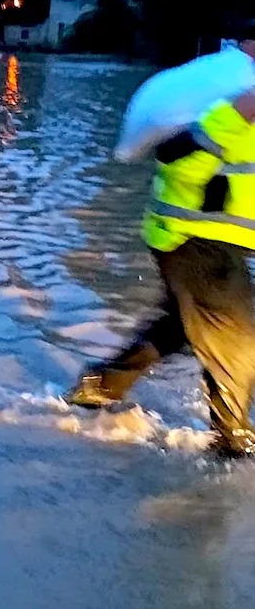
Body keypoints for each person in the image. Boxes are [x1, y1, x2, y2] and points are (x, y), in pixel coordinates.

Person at [68, 42, 255, 456]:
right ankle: (233, 447)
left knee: (178, 326)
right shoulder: (229, 100)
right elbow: (181, 158)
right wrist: (239, 112)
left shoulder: (228, 86)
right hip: (198, 242)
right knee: (238, 339)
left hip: (197, 240)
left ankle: (98, 388)